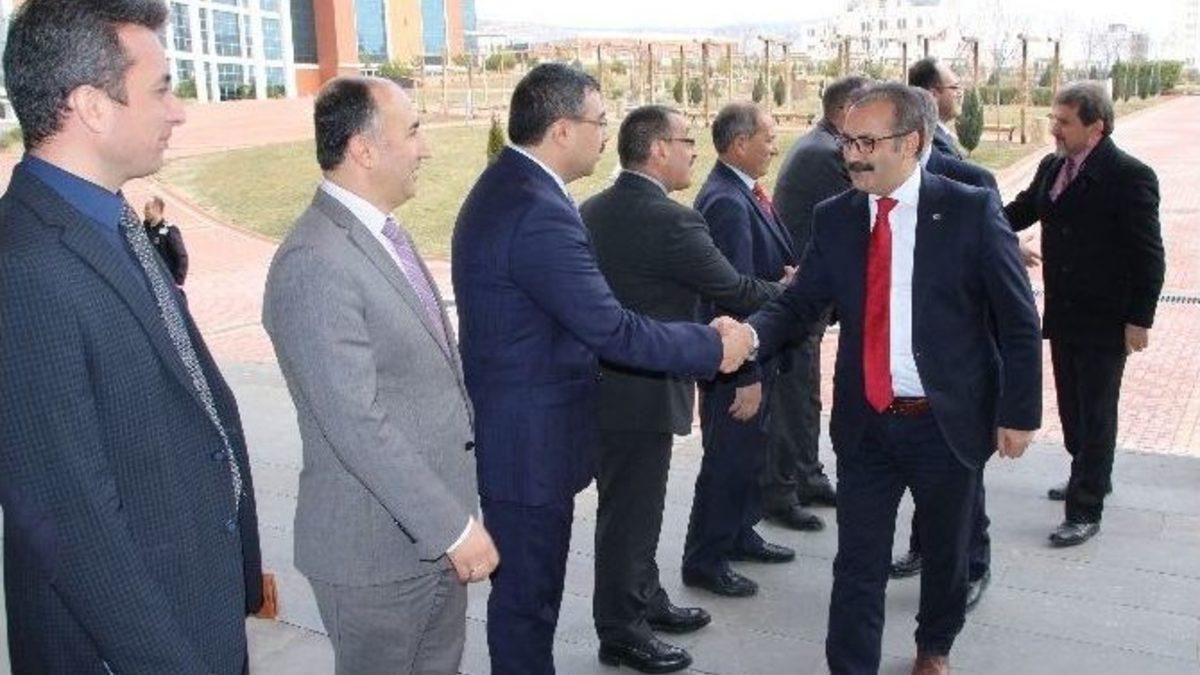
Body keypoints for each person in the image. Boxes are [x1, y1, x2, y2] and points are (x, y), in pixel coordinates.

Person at [725, 82, 1042, 675]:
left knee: (946, 554)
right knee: (857, 563)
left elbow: (1019, 319)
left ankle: (934, 648)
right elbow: (799, 305)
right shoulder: (836, 217)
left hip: (946, 424)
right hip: (867, 423)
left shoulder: (969, 210)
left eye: (868, 143)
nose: (853, 155)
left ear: (912, 142)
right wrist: (750, 337)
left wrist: (1019, 412)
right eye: (847, 141)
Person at [451, 63, 750, 675]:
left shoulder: (520, 189)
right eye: (598, 121)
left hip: (530, 430)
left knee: (530, 597)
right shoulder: (535, 207)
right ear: (562, 129)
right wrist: (712, 347)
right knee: (528, 603)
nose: (605, 135)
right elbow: (610, 328)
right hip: (527, 442)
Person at [0, 1, 263, 673]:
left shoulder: (109, 221)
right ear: (92, 106)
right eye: (161, 89)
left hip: (196, 613)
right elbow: (69, 519)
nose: (178, 112)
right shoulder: (23, 264)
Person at [262, 76, 498, 675]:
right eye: (413, 131)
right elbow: (355, 422)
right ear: (363, 149)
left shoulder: (382, 234)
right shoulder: (315, 261)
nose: (426, 148)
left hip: (430, 538)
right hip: (375, 556)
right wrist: (452, 528)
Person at [581, 104, 784, 673]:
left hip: (606, 386)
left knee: (629, 507)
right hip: (642, 392)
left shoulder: (592, 209)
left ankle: (644, 598)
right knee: (632, 514)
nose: (694, 151)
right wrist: (799, 292)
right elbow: (736, 290)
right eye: (686, 140)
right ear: (657, 150)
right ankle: (623, 630)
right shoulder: (671, 221)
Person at [1004, 81, 1165, 547]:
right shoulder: (1053, 166)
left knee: (1096, 413)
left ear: (1097, 127)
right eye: (1053, 119)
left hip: (1105, 318)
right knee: (1073, 410)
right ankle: (1091, 472)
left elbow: (1149, 255)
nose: (1054, 129)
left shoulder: (1130, 176)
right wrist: (978, 220)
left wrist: (1140, 319)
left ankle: (1085, 506)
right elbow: (1021, 210)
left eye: (1064, 122)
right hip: (1064, 313)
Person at [681, 102, 802, 600]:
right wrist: (744, 375)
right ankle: (706, 559)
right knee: (727, 458)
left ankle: (739, 532)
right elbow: (729, 295)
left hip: (758, 352)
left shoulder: (743, 192)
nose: (775, 146)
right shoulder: (727, 202)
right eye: (767, 137)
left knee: (748, 451)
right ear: (739, 144)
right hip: (738, 360)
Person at [888, 88, 1000, 613]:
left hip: (956, 368)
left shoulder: (971, 183)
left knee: (963, 482)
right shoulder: (872, 187)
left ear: (915, 137)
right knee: (922, 476)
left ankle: (972, 564)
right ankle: (924, 547)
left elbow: (998, 283)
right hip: (902, 373)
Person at [767, 75, 870, 521]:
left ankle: (806, 477)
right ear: (846, 110)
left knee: (803, 393)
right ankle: (789, 486)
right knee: (797, 395)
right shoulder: (828, 153)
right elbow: (856, 223)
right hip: (802, 289)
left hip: (806, 286)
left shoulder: (821, 144)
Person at [908, 57, 965, 160]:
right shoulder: (934, 143)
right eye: (955, 87)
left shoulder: (930, 132)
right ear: (932, 95)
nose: (960, 93)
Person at [142, 195, 189, 285]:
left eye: (147, 209)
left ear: (157, 210)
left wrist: (179, 282)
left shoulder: (170, 230)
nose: (144, 211)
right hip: (149, 279)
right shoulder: (145, 228)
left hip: (166, 281)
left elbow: (182, 257)